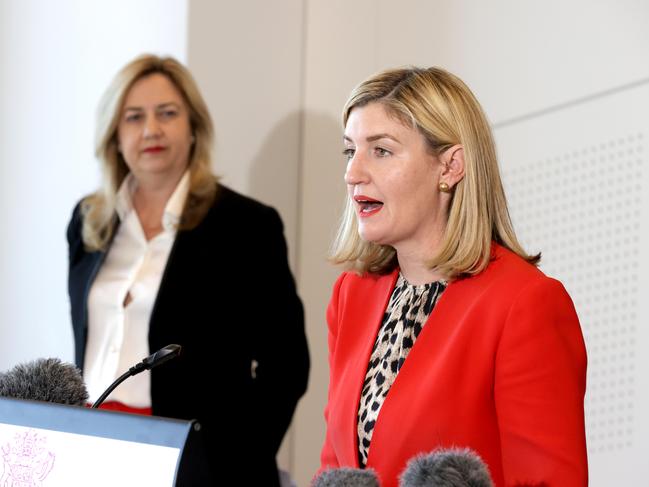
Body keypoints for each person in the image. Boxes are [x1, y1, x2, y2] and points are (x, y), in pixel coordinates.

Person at [319, 67, 588, 486]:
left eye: (381, 151)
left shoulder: (524, 304)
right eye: (350, 151)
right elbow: (335, 465)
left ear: (450, 166)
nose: (353, 173)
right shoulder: (351, 295)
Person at [67, 54, 309, 486]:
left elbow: (288, 365)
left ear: (194, 127)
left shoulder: (245, 225)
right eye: (134, 117)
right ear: (114, 135)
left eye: (168, 113)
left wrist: (237, 459)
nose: (151, 130)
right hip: (93, 449)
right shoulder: (89, 221)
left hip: (196, 461)